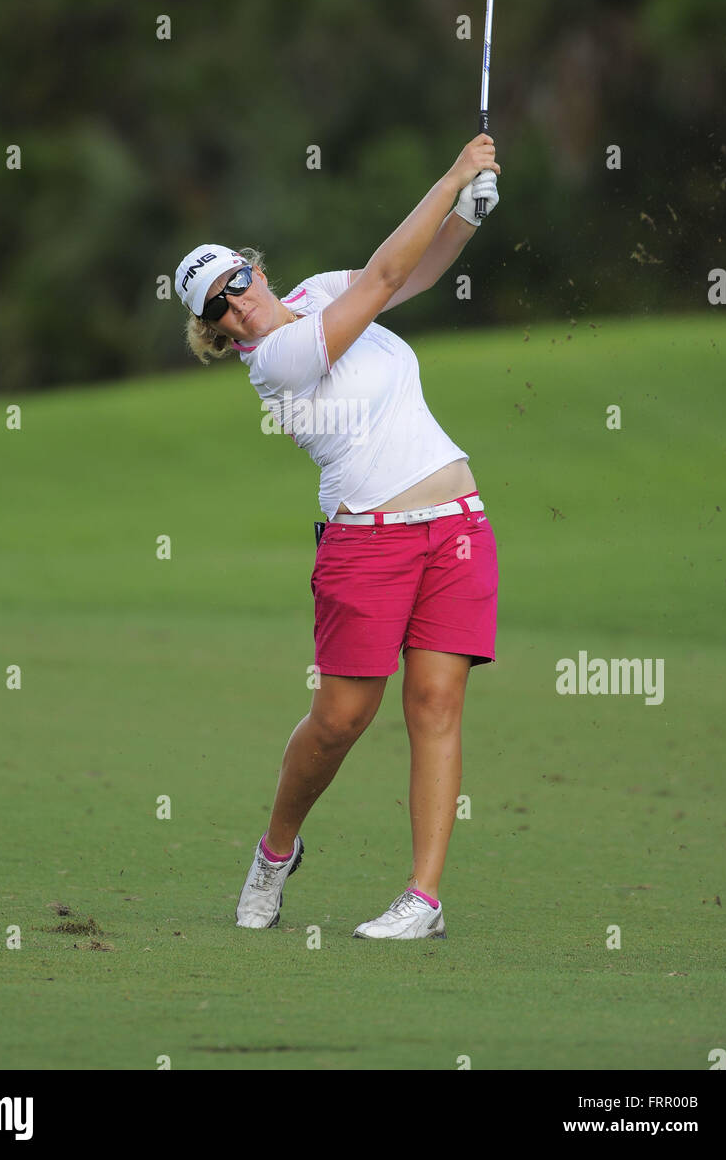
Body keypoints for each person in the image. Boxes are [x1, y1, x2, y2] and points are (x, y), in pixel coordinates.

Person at [174, 133, 501, 940]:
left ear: (256, 268)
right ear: (215, 330)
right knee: (340, 721)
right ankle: (275, 853)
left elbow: (414, 273)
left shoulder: (321, 292)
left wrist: (466, 216)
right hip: (368, 545)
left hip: (457, 527)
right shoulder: (276, 359)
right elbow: (387, 270)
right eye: (216, 305)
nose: (235, 301)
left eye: (236, 281)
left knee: (436, 704)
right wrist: (451, 173)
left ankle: (423, 900)